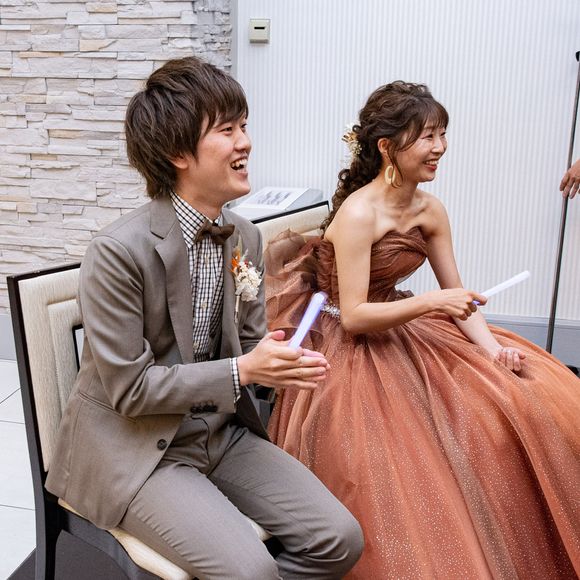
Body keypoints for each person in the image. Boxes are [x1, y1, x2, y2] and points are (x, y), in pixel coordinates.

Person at [45, 56, 363, 580]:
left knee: (339, 539)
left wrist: (279, 359)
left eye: (245, 126)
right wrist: (244, 370)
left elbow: (252, 343)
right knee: (251, 572)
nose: (246, 143)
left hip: (220, 433)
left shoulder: (244, 236)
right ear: (178, 153)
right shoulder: (117, 252)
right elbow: (130, 391)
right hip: (138, 448)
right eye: (227, 130)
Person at [265, 81, 580, 579]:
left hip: (406, 325)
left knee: (517, 399)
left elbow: (460, 299)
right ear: (387, 147)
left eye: (442, 134)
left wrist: (493, 351)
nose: (440, 147)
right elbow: (355, 316)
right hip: (350, 344)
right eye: (427, 136)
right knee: (394, 463)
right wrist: (433, 302)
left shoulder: (430, 209)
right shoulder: (359, 212)